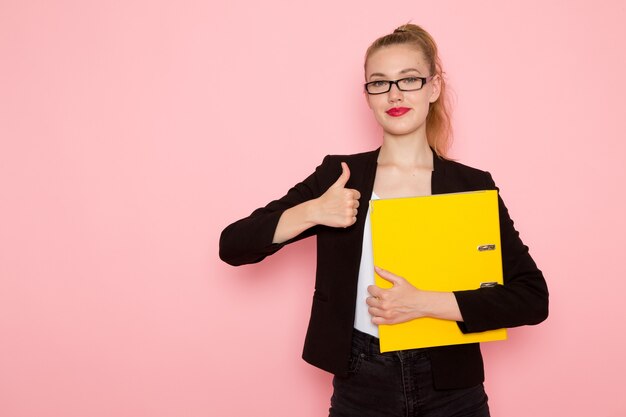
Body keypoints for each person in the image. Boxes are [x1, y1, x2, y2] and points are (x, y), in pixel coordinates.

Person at [219, 24, 548, 417]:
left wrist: (425, 304)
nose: (394, 94)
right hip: (361, 381)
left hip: (452, 384)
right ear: (368, 96)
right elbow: (232, 245)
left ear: (433, 87)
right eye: (379, 83)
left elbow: (532, 298)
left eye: (409, 79)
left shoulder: (471, 185)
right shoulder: (338, 176)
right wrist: (310, 212)